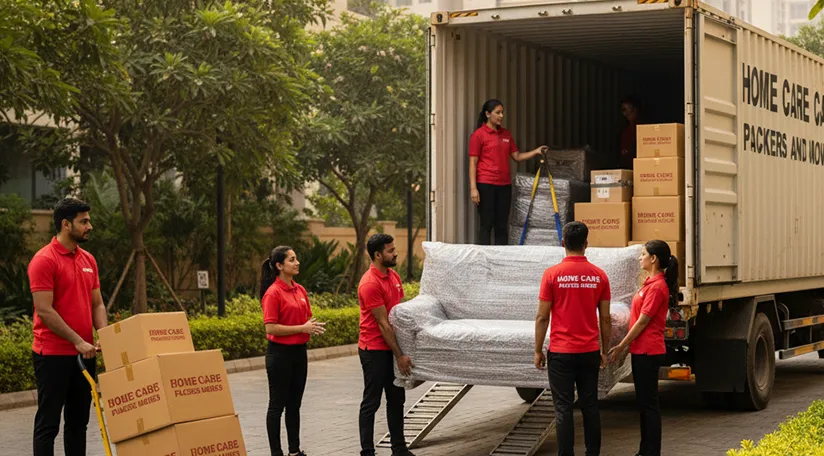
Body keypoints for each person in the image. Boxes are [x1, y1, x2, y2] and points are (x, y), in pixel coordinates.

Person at [28, 197, 107, 456]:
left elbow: (97, 304)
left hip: (84, 355)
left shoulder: (89, 260)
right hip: (51, 355)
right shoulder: (44, 260)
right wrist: (77, 340)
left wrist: (104, 336)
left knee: (78, 424)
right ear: (65, 224)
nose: (89, 226)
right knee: (48, 425)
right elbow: (44, 309)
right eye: (83, 221)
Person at [534, 221, 611, 456]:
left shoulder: (551, 275)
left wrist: (538, 350)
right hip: (589, 352)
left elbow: (542, 317)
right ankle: (592, 453)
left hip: (560, 352)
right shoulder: (600, 276)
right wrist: (604, 351)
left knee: (563, 409)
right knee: (590, 406)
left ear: (562, 243)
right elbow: (605, 319)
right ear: (586, 244)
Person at [608, 240, 678, 456]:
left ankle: (651, 451)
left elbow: (642, 322)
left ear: (653, 259)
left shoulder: (657, 287)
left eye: (643, 254)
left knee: (649, 405)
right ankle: (645, 450)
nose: (640, 258)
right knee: (644, 404)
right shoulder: (650, 283)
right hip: (641, 351)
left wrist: (621, 346)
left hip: (648, 351)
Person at [260, 246, 325, 456]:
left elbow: (304, 318)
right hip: (279, 355)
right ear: (279, 266)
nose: (297, 263)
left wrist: (310, 327)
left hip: (299, 353)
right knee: (276, 405)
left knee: (294, 405)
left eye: (296, 259)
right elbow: (271, 327)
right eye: (292, 260)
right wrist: (302, 328)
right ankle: (276, 453)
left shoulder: (300, 290)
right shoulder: (273, 293)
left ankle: (294, 452)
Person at [357, 234, 415, 456]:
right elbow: (383, 324)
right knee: (372, 401)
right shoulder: (370, 284)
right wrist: (399, 355)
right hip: (374, 350)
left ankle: (399, 449)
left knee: (396, 399)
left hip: (390, 347)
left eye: (394, 248)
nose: (395, 253)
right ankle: (367, 451)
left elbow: (397, 314)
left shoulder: (393, 276)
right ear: (377, 255)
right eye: (390, 251)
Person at [469, 99, 548, 245]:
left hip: (504, 185)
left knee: (501, 225)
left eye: (502, 113)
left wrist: (536, 151)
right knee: (486, 225)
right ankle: (483, 260)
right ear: (487, 114)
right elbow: (473, 162)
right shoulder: (478, 135)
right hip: (486, 184)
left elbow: (517, 157)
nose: (501, 116)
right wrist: (474, 188)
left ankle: (501, 259)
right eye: (497, 113)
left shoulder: (506, 134)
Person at [619, 96, 641, 170]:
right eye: (624, 110)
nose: (627, 112)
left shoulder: (643, 127)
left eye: (630, 108)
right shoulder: (624, 130)